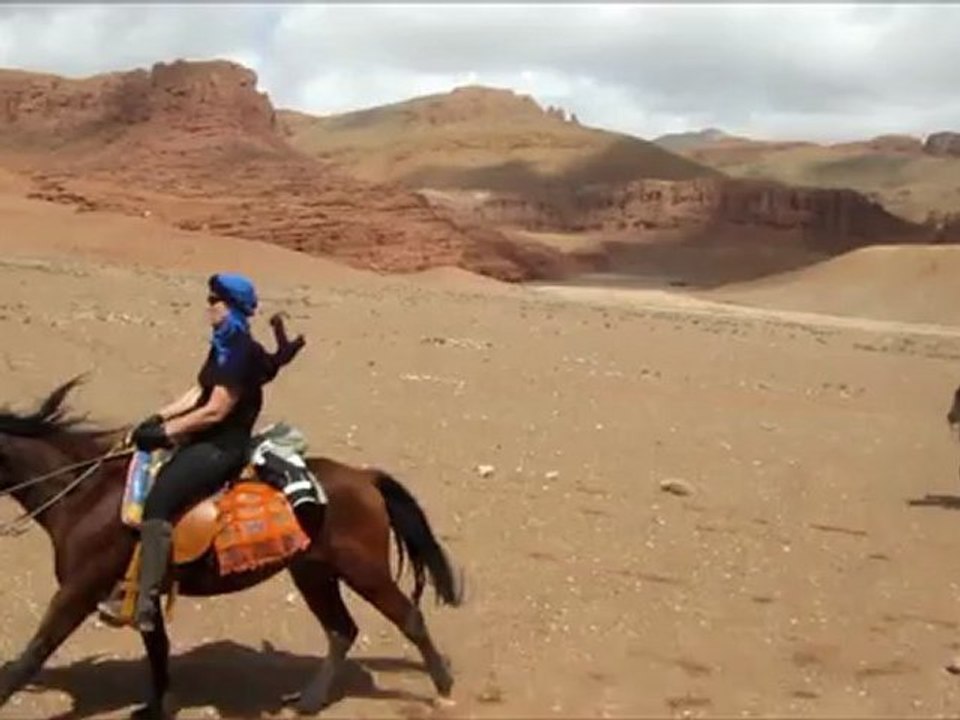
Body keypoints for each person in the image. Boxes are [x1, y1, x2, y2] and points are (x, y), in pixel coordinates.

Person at [98, 273, 305, 631]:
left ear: (231, 307)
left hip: (220, 448)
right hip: (204, 439)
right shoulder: (228, 344)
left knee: (158, 503)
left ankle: (143, 601)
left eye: (215, 301)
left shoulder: (238, 350)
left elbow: (216, 410)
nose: (208, 307)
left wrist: (163, 433)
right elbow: (199, 391)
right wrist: (157, 417)